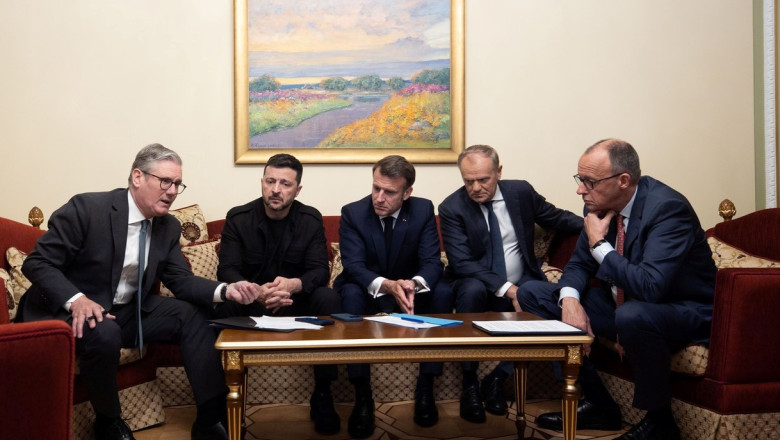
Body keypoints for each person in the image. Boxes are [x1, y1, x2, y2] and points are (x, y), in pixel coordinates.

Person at [19, 143, 261, 440]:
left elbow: (180, 280)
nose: (172, 191)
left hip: (126, 311)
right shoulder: (87, 209)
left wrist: (227, 290)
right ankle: (108, 422)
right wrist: (77, 300)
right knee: (104, 331)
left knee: (192, 315)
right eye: (165, 181)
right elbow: (37, 262)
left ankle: (212, 419)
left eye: (177, 184)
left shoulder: (167, 227)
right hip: (69, 312)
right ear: (137, 177)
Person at [518, 139, 716, 440]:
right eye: (580, 179)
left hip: (681, 310)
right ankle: (600, 405)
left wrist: (599, 244)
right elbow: (578, 265)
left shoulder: (667, 209)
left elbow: (650, 286)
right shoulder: (599, 207)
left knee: (632, 315)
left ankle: (660, 421)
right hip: (624, 306)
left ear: (623, 180)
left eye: (590, 182)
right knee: (532, 292)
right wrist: (570, 302)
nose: (580, 190)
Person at [438, 144, 581, 423]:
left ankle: (495, 379)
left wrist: (594, 226)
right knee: (471, 289)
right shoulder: (451, 207)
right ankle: (470, 384)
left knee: (540, 298)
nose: (476, 187)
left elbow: (556, 217)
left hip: (523, 278)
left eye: (483, 179)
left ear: (499, 172)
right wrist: (509, 290)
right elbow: (462, 262)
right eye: (468, 181)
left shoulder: (520, 192)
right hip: (478, 284)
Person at [214, 153, 342, 435]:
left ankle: (323, 393)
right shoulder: (239, 218)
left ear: (297, 189)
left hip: (296, 303)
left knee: (329, 298)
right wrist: (255, 291)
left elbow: (319, 270)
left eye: (285, 184)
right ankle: (225, 401)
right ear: (261, 182)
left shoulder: (310, 219)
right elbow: (227, 270)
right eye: (270, 181)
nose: (275, 189)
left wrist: (293, 285)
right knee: (222, 306)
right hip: (252, 303)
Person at [334, 155, 454, 437]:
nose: (379, 198)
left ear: (407, 192)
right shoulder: (353, 213)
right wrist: (387, 285)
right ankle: (362, 395)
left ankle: (426, 386)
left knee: (443, 291)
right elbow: (354, 265)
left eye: (389, 192)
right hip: (369, 289)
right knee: (349, 293)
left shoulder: (422, 209)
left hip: (408, 290)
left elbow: (431, 261)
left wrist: (413, 284)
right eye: (376, 188)